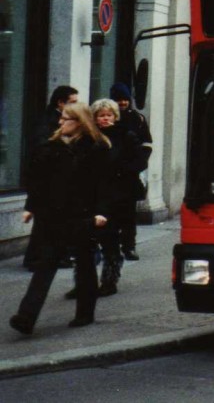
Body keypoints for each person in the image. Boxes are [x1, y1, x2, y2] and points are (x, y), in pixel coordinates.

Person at [10, 102, 111, 335]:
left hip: (82, 216)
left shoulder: (96, 148)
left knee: (85, 264)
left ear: (79, 122)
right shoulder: (51, 147)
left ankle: (85, 313)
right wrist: (31, 206)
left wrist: (101, 212)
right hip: (54, 217)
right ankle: (26, 317)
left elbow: (104, 185)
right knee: (46, 265)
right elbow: (38, 181)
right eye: (62, 118)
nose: (60, 122)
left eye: (66, 118)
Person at [24, 85, 79, 271]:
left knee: (56, 220)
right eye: (72, 102)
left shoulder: (59, 119)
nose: (75, 106)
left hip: (57, 177)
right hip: (46, 176)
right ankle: (34, 259)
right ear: (60, 103)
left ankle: (57, 256)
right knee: (44, 221)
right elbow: (41, 148)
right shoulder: (48, 121)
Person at [91, 98, 141, 295]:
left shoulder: (125, 135)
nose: (105, 119)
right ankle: (83, 283)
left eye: (108, 115)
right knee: (88, 240)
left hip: (119, 195)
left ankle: (109, 281)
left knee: (110, 238)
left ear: (115, 116)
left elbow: (139, 161)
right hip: (95, 194)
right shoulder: (91, 136)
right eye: (101, 115)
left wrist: (121, 172)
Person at [108, 83, 152, 261]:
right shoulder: (107, 117)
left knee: (128, 215)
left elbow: (147, 145)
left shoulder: (137, 119)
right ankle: (111, 247)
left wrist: (137, 165)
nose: (123, 102)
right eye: (119, 99)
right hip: (110, 177)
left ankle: (128, 246)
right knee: (110, 214)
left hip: (129, 176)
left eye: (125, 99)